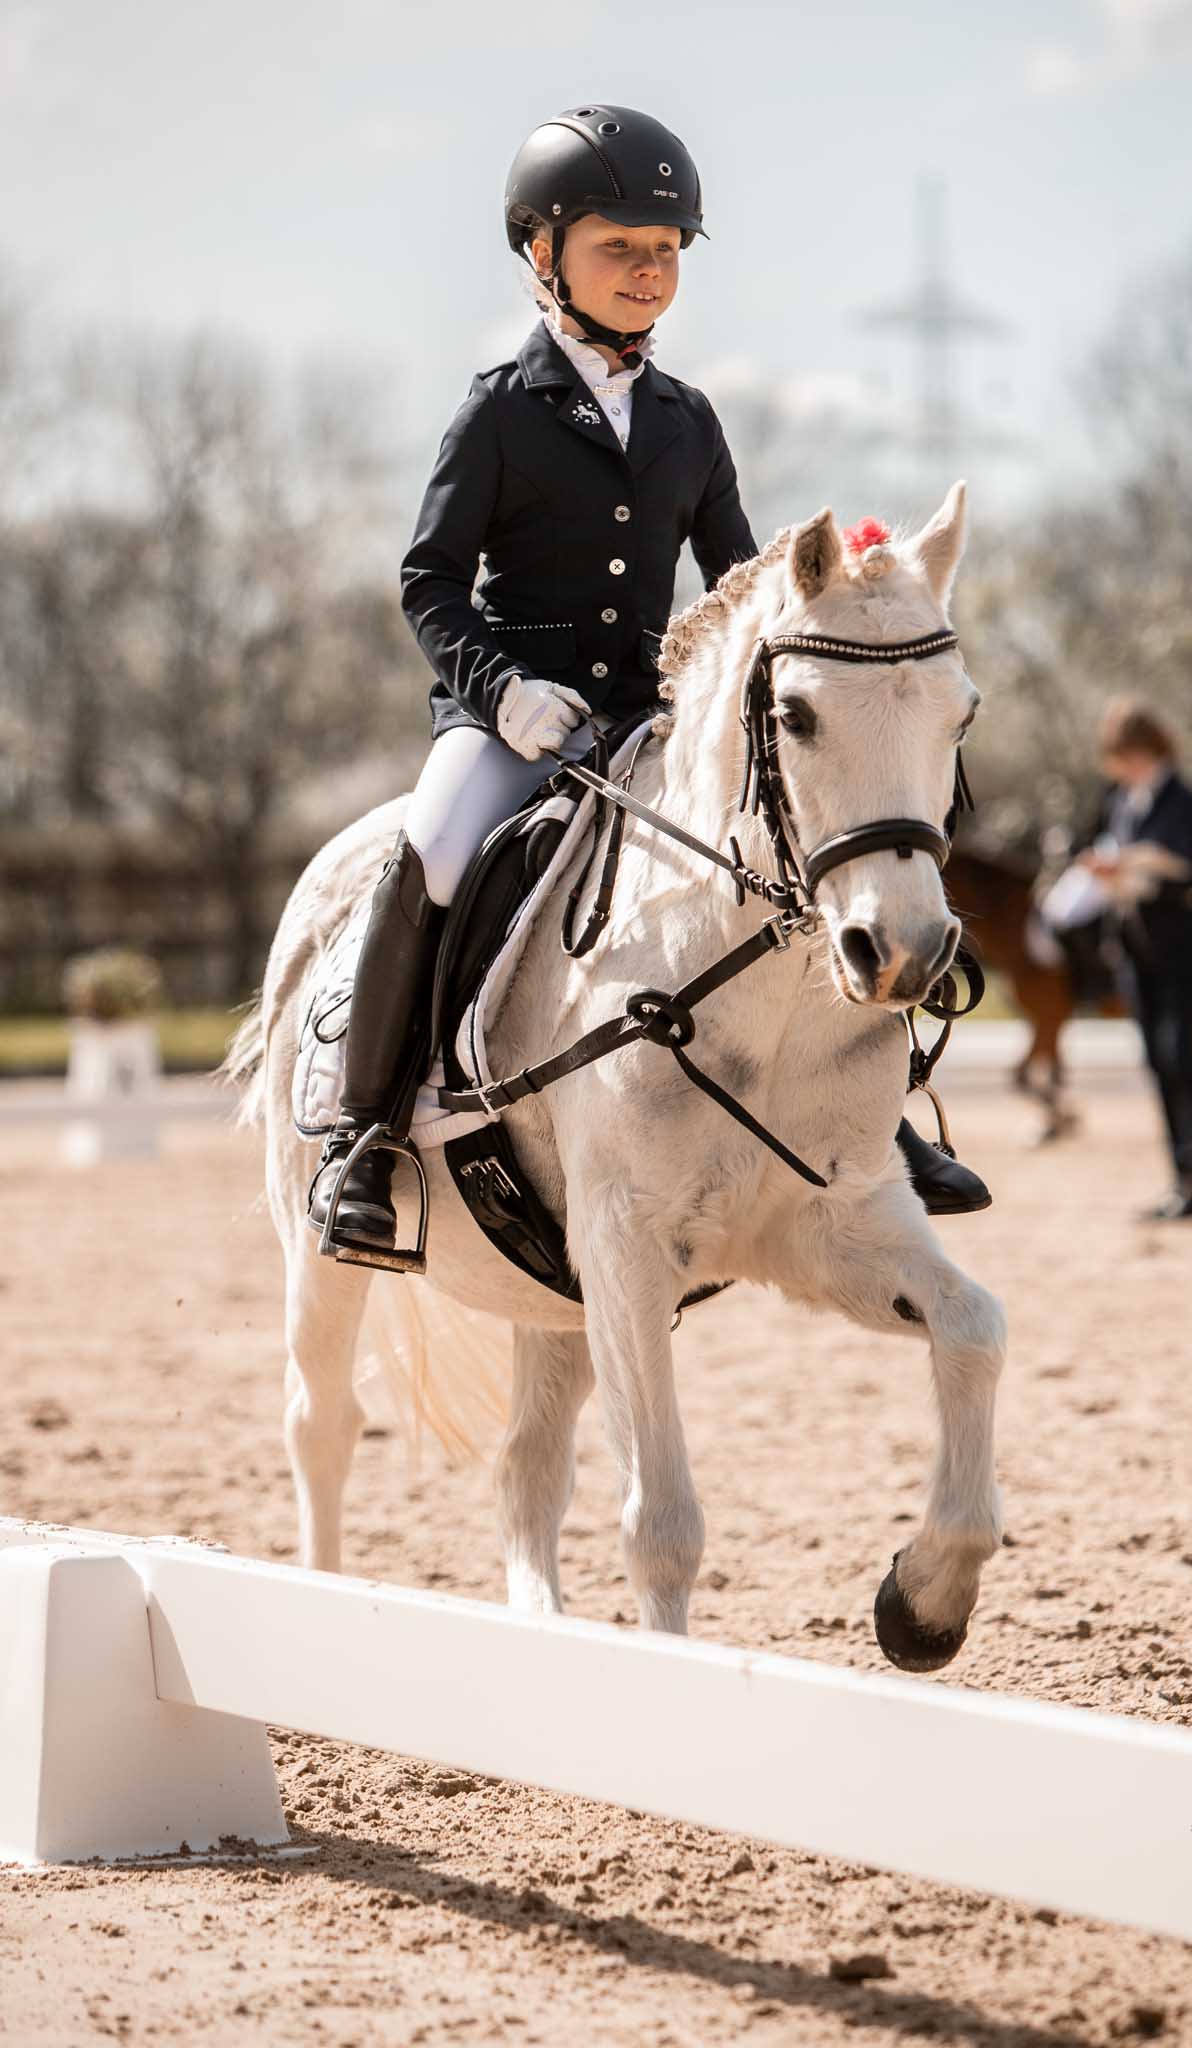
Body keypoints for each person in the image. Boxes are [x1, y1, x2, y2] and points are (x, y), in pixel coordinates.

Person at [308, 103, 990, 1253]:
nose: (645, 271)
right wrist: (503, 690)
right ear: (544, 253)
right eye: (617, 246)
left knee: (794, 854)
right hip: (510, 717)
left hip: (648, 713)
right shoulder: (499, 412)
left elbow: (739, 585)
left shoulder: (687, 418)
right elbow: (429, 584)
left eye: (664, 251)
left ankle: (879, 1115)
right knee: (430, 851)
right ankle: (362, 1138)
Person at [1079, 698, 1192, 1220]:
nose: (1123, 764)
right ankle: (1180, 1177)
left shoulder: (1183, 795)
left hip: (1182, 941)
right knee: (1157, 1060)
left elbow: (1181, 860)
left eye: (1130, 753)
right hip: (1136, 943)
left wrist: (1125, 861)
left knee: (1180, 1051)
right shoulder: (1123, 797)